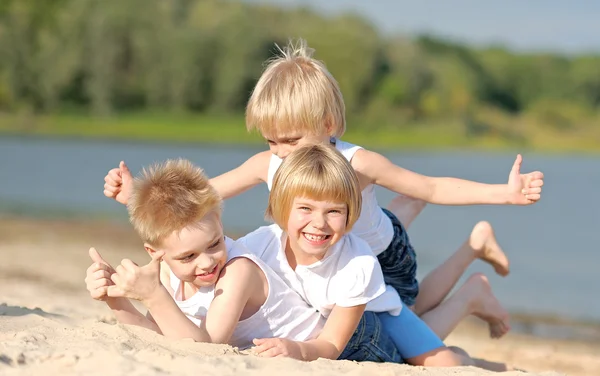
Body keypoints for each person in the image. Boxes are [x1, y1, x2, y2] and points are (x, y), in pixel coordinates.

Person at [102, 39, 538, 339]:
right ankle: (412, 211)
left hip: (377, 254)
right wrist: (138, 193)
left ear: (328, 126)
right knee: (374, 216)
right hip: (327, 241)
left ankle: (473, 282)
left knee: (409, 313)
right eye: (271, 141)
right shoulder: (268, 162)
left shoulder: (357, 162)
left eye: (292, 140)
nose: (282, 153)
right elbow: (199, 198)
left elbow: (434, 185)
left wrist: (506, 192)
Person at [239, 143, 506, 369]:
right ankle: (472, 280)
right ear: (281, 208)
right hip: (353, 311)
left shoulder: (358, 264)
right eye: (306, 208)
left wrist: (297, 350)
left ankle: (471, 321)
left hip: (379, 312)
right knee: (420, 316)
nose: (319, 223)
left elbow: (331, 343)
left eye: (333, 212)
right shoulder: (262, 243)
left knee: (442, 363)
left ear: (350, 215)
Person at [85, 159, 328, 353]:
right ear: (154, 252)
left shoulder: (238, 271)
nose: (207, 262)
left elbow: (207, 347)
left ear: (219, 223)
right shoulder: (166, 272)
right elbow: (159, 334)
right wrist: (115, 299)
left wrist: (153, 295)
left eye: (213, 244)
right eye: (188, 256)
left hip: (320, 343)